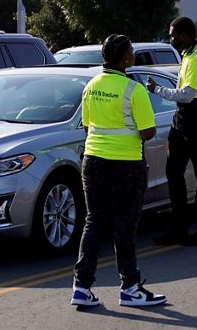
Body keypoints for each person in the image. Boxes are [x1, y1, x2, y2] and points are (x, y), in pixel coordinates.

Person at [71, 34, 168, 309]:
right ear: (125, 58)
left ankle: (81, 286)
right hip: (125, 164)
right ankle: (130, 288)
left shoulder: (90, 86)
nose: (133, 54)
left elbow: (87, 127)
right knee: (124, 224)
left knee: (94, 221)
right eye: (131, 51)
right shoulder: (133, 89)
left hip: (93, 161)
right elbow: (148, 132)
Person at [148, 16, 197, 247]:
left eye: (173, 35)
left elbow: (187, 95)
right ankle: (179, 229)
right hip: (182, 123)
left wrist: (157, 90)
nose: (171, 39)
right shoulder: (188, 54)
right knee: (174, 174)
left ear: (184, 35)